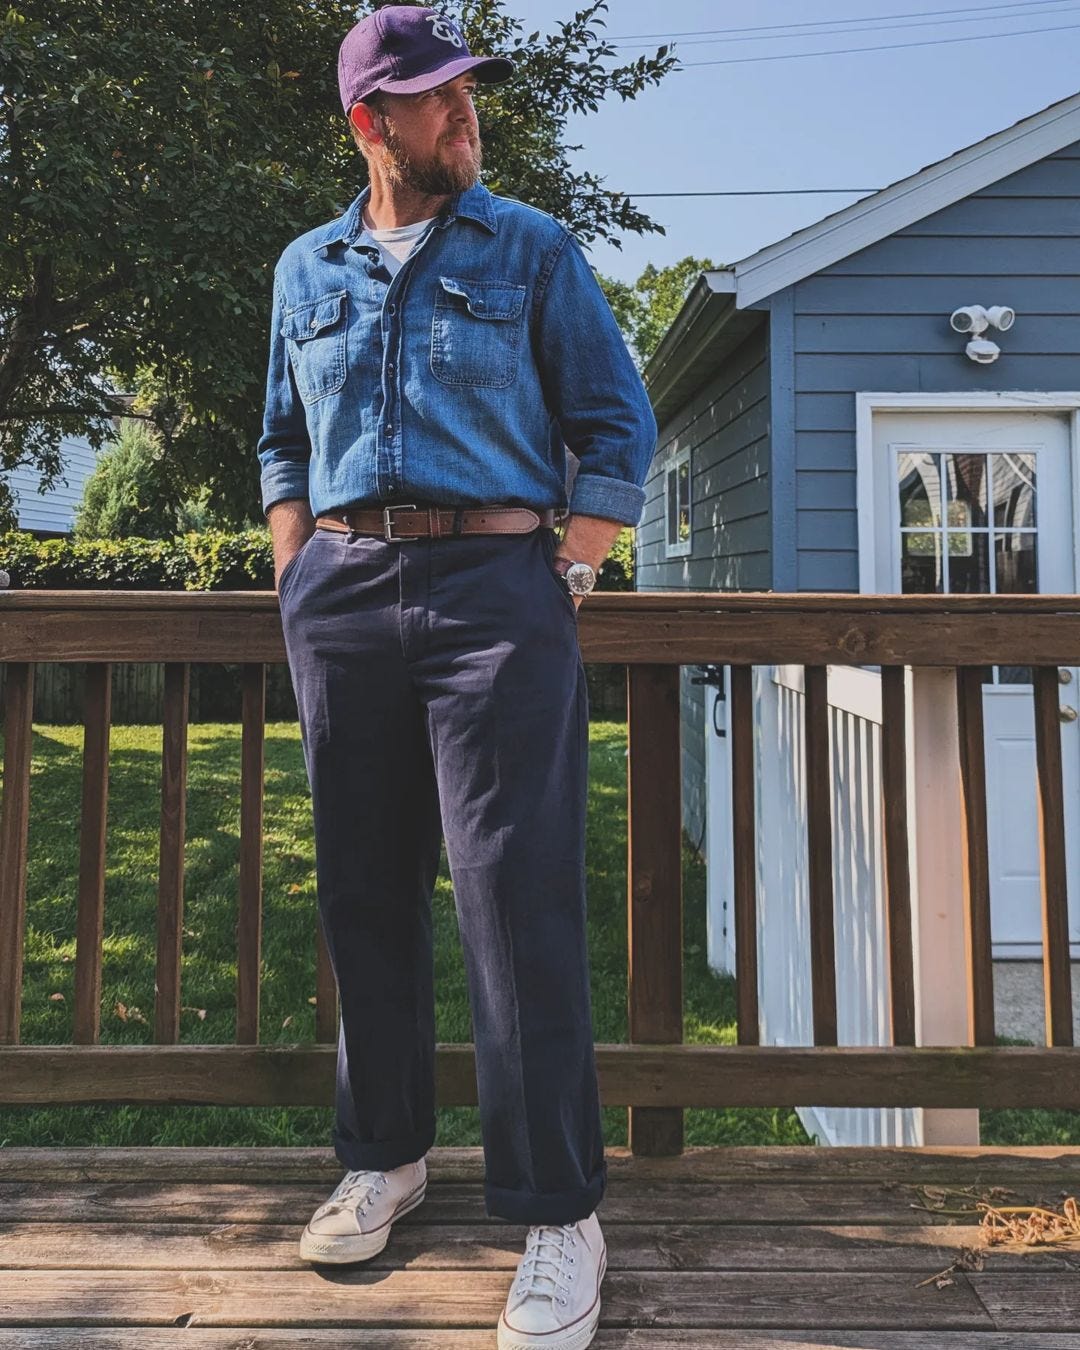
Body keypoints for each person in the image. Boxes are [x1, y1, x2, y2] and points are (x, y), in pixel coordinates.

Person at [256, 5, 656, 1347]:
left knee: (514, 896)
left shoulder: (532, 248)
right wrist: (296, 566)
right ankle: (387, 1155)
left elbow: (616, 421)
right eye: (436, 96)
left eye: (465, 89)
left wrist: (572, 567)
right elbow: (281, 439)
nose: (464, 111)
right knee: (364, 888)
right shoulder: (305, 268)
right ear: (371, 122)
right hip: (344, 596)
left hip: (496, 594)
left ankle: (558, 1212)